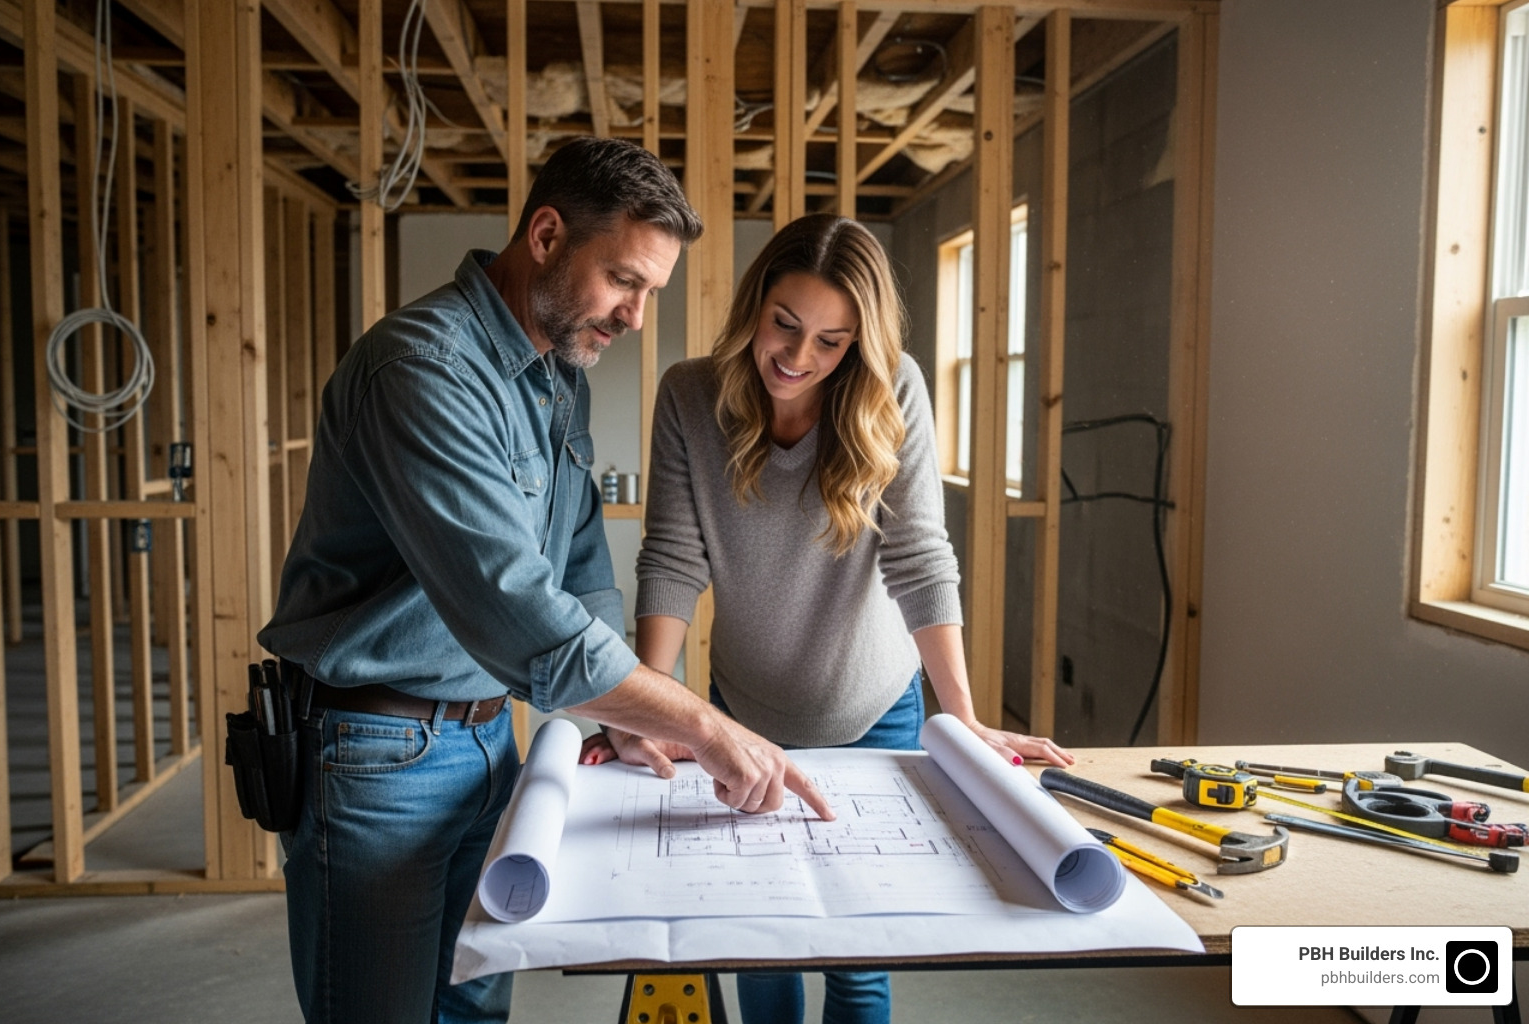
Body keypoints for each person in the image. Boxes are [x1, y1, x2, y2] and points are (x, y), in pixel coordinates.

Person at [258, 137, 832, 1024]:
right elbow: (519, 611)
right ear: (547, 234)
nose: (638, 317)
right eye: (625, 282)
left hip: (492, 744)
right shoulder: (424, 369)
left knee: (477, 1012)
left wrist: (633, 718)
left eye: (652, 293)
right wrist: (707, 727)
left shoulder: (560, 377)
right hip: (376, 758)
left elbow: (581, 568)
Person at [580, 213, 1075, 1024]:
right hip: (743, 714)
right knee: (756, 934)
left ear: (859, 344)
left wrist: (965, 720)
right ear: (755, 305)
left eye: (831, 341)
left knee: (858, 953)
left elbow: (920, 556)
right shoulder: (690, 395)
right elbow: (671, 558)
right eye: (785, 325)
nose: (798, 358)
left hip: (875, 710)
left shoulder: (893, 390)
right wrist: (648, 707)